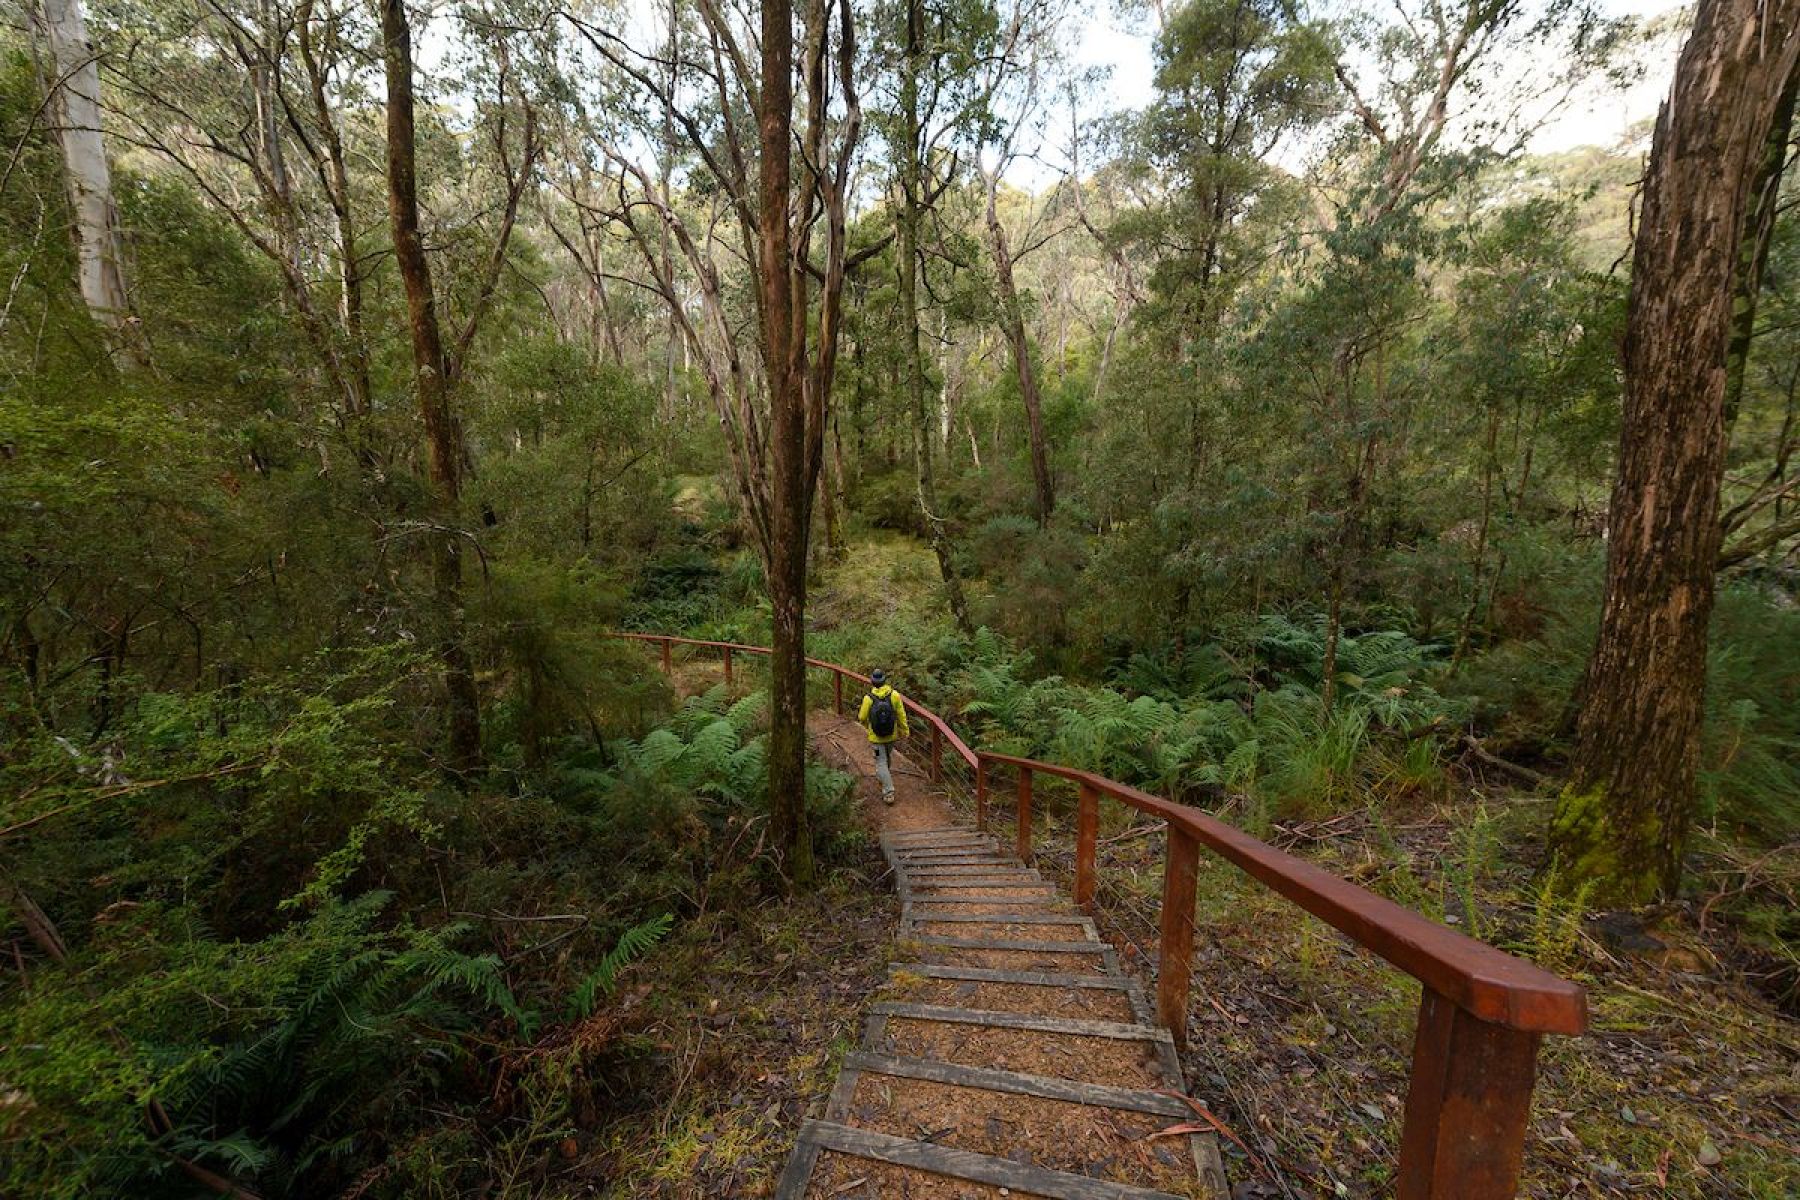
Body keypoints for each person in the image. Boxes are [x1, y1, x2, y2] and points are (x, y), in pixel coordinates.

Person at [856, 669, 910, 804]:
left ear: (873, 682)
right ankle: (883, 776)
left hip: (876, 737)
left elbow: (861, 717)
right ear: (884, 680)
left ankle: (889, 791)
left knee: (881, 761)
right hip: (891, 735)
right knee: (886, 758)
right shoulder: (894, 695)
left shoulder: (868, 698)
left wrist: (867, 723)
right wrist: (905, 730)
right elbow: (901, 715)